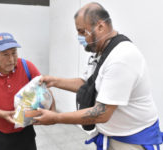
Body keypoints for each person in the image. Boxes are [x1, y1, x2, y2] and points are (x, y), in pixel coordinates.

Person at [33, 2, 163, 150]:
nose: (79, 37)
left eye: (82, 32)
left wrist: (56, 118)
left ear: (100, 27)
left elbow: (102, 113)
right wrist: (54, 81)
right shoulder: (101, 53)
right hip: (112, 136)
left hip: (131, 141)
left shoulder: (122, 58)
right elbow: (88, 85)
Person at [0, 32, 55, 150]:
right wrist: (3, 114)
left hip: (24, 133)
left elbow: (44, 88)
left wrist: (52, 109)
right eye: (5, 54)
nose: (11, 59)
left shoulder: (27, 66)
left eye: (14, 53)